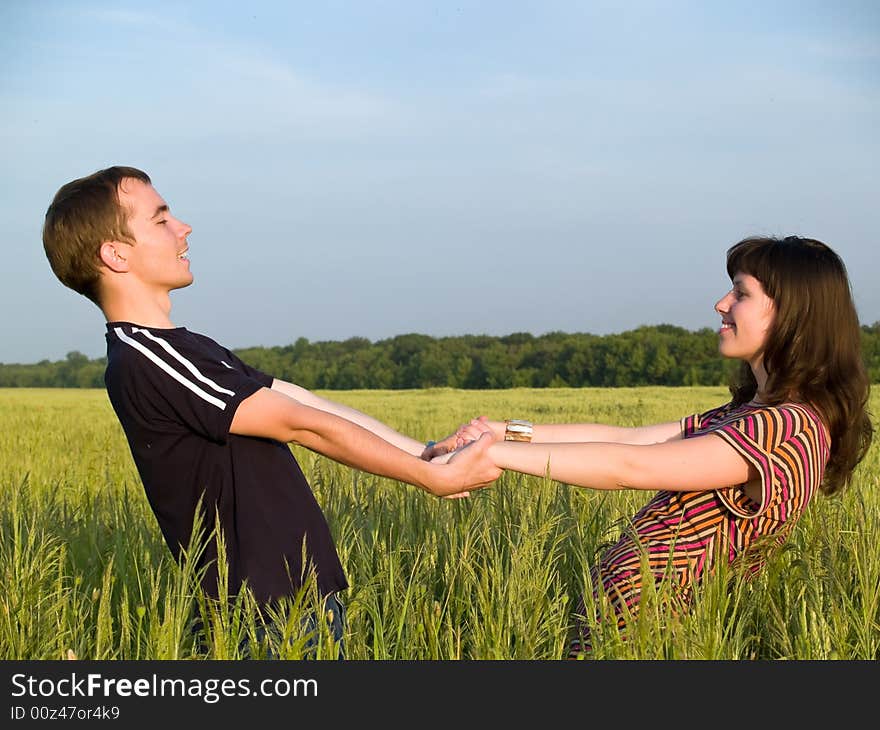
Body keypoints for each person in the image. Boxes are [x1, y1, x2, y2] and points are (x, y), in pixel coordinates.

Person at [42, 165, 501, 659]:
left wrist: (427, 452)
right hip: (262, 614)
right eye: (160, 219)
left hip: (296, 599)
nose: (183, 227)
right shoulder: (146, 357)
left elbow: (302, 399)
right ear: (115, 254)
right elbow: (300, 424)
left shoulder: (187, 347)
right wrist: (430, 479)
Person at [432, 236, 873, 657]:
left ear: (792, 314)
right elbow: (625, 437)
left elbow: (631, 466)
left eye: (741, 293)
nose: (721, 304)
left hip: (658, 639)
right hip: (631, 635)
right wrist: (501, 430)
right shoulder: (749, 415)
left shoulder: (787, 427)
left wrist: (493, 455)